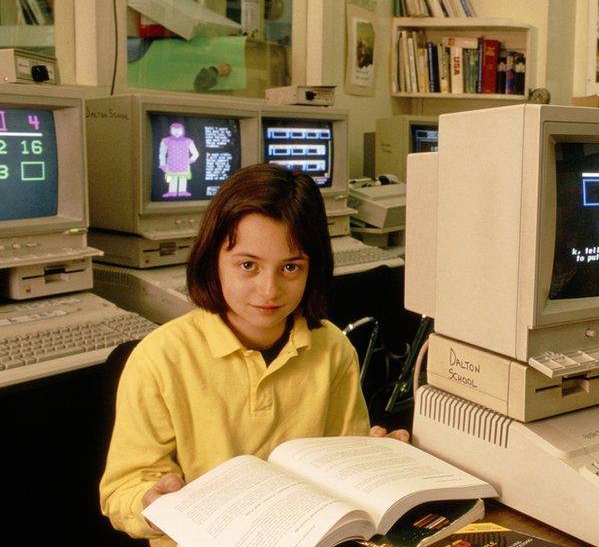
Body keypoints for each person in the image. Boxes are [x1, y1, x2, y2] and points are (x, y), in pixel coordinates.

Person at [100, 165, 409, 546]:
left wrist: (377, 464)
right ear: (213, 259)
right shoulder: (160, 359)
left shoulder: (332, 348)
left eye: (290, 267)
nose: (269, 290)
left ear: (313, 269)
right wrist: (149, 501)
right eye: (248, 265)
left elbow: (343, 461)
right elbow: (122, 491)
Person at [158, 122, 199, 198]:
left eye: (179, 130)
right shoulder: (166, 141)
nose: (176, 132)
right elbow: (162, 154)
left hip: (184, 166)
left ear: (183, 130)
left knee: (183, 178)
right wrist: (163, 164)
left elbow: (196, 153)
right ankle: (172, 192)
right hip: (171, 165)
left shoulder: (188, 141)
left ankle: (182, 192)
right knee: (173, 179)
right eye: (174, 130)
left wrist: (190, 160)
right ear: (171, 130)